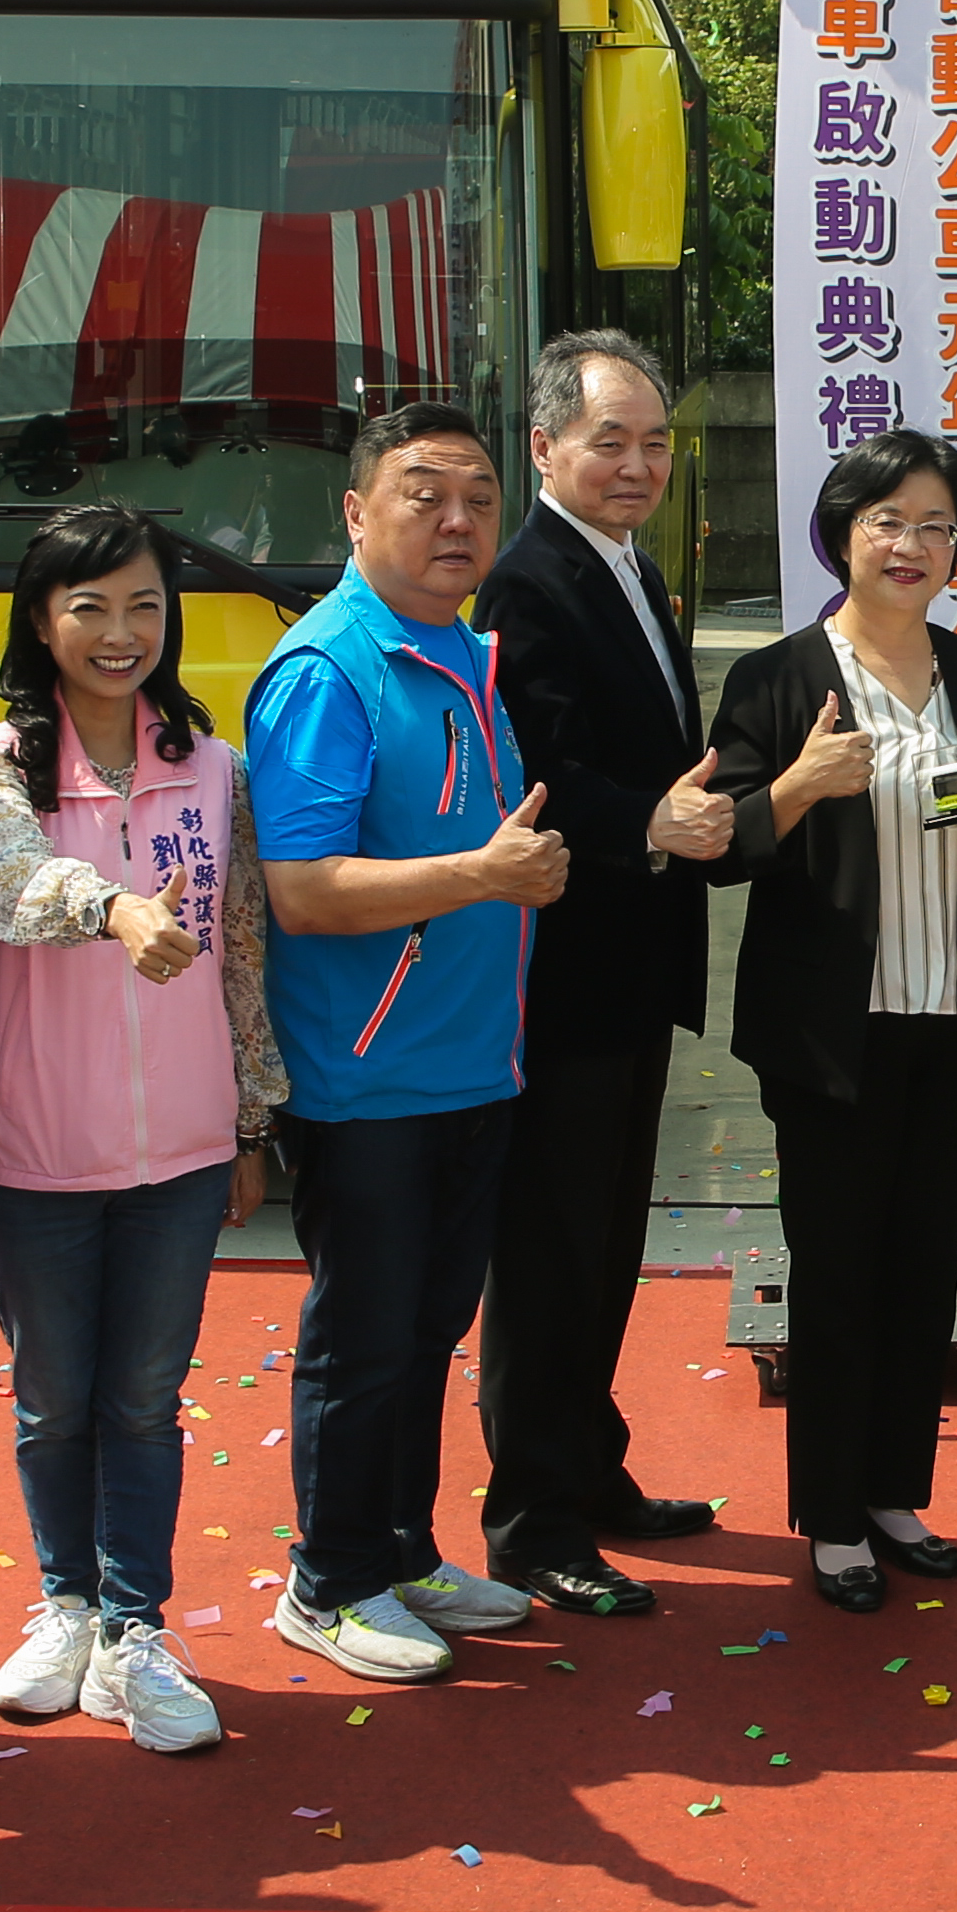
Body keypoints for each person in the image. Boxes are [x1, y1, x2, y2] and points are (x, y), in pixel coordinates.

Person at [245, 401, 567, 1681]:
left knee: (428, 1323)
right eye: (423, 492)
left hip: (468, 1062)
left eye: (478, 497)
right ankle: (324, 1580)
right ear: (356, 512)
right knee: (365, 1332)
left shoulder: (461, 655)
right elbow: (304, 890)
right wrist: (483, 874)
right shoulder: (330, 671)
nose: (456, 520)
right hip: (364, 1074)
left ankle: (398, 1546)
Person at [0, 501, 278, 1747]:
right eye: (89, 606)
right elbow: (14, 881)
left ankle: (138, 1627)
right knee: (52, 1398)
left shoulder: (213, 763)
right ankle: (64, 1606)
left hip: (184, 1149)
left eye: (144, 604)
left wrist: (251, 1113)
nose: (119, 631)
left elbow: (239, 947)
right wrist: (112, 909)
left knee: (144, 1398)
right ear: (41, 620)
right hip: (34, 1143)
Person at [710, 431, 957, 1606]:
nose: (911, 546)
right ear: (843, 534)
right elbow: (713, 847)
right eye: (887, 522)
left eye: (936, 526)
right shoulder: (776, 678)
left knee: (923, 1265)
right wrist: (799, 786)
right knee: (839, 1268)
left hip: (954, 1013)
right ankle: (832, 1514)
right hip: (831, 1033)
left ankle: (898, 1490)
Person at [471, 331, 743, 1615]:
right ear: (545, 449)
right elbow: (540, 777)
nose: (639, 464)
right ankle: (531, 1517)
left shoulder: (624, 565)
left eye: (655, 441)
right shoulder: (530, 583)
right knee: (550, 1255)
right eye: (610, 441)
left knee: (607, 1243)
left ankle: (591, 1467)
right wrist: (647, 824)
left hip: (631, 966)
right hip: (566, 973)